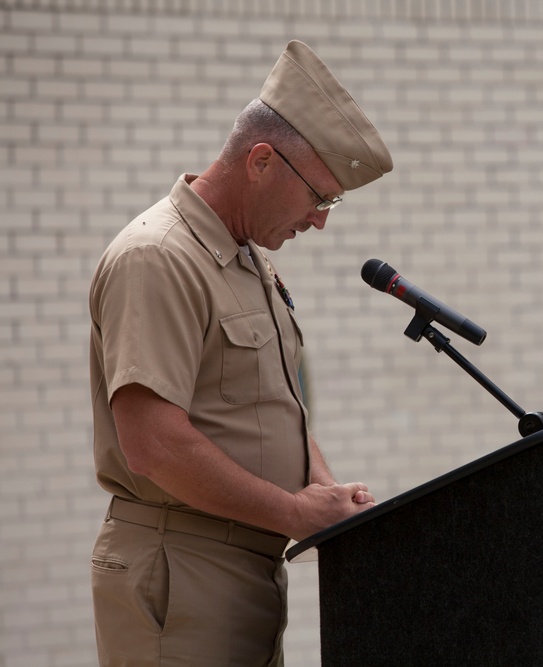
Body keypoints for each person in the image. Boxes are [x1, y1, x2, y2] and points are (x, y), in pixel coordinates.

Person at [88, 41, 393, 666]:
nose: (320, 222)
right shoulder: (159, 256)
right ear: (261, 160)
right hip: (181, 573)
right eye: (321, 197)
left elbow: (278, 401)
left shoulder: (247, 258)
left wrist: (324, 490)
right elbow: (154, 444)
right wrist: (293, 511)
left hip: (239, 569)